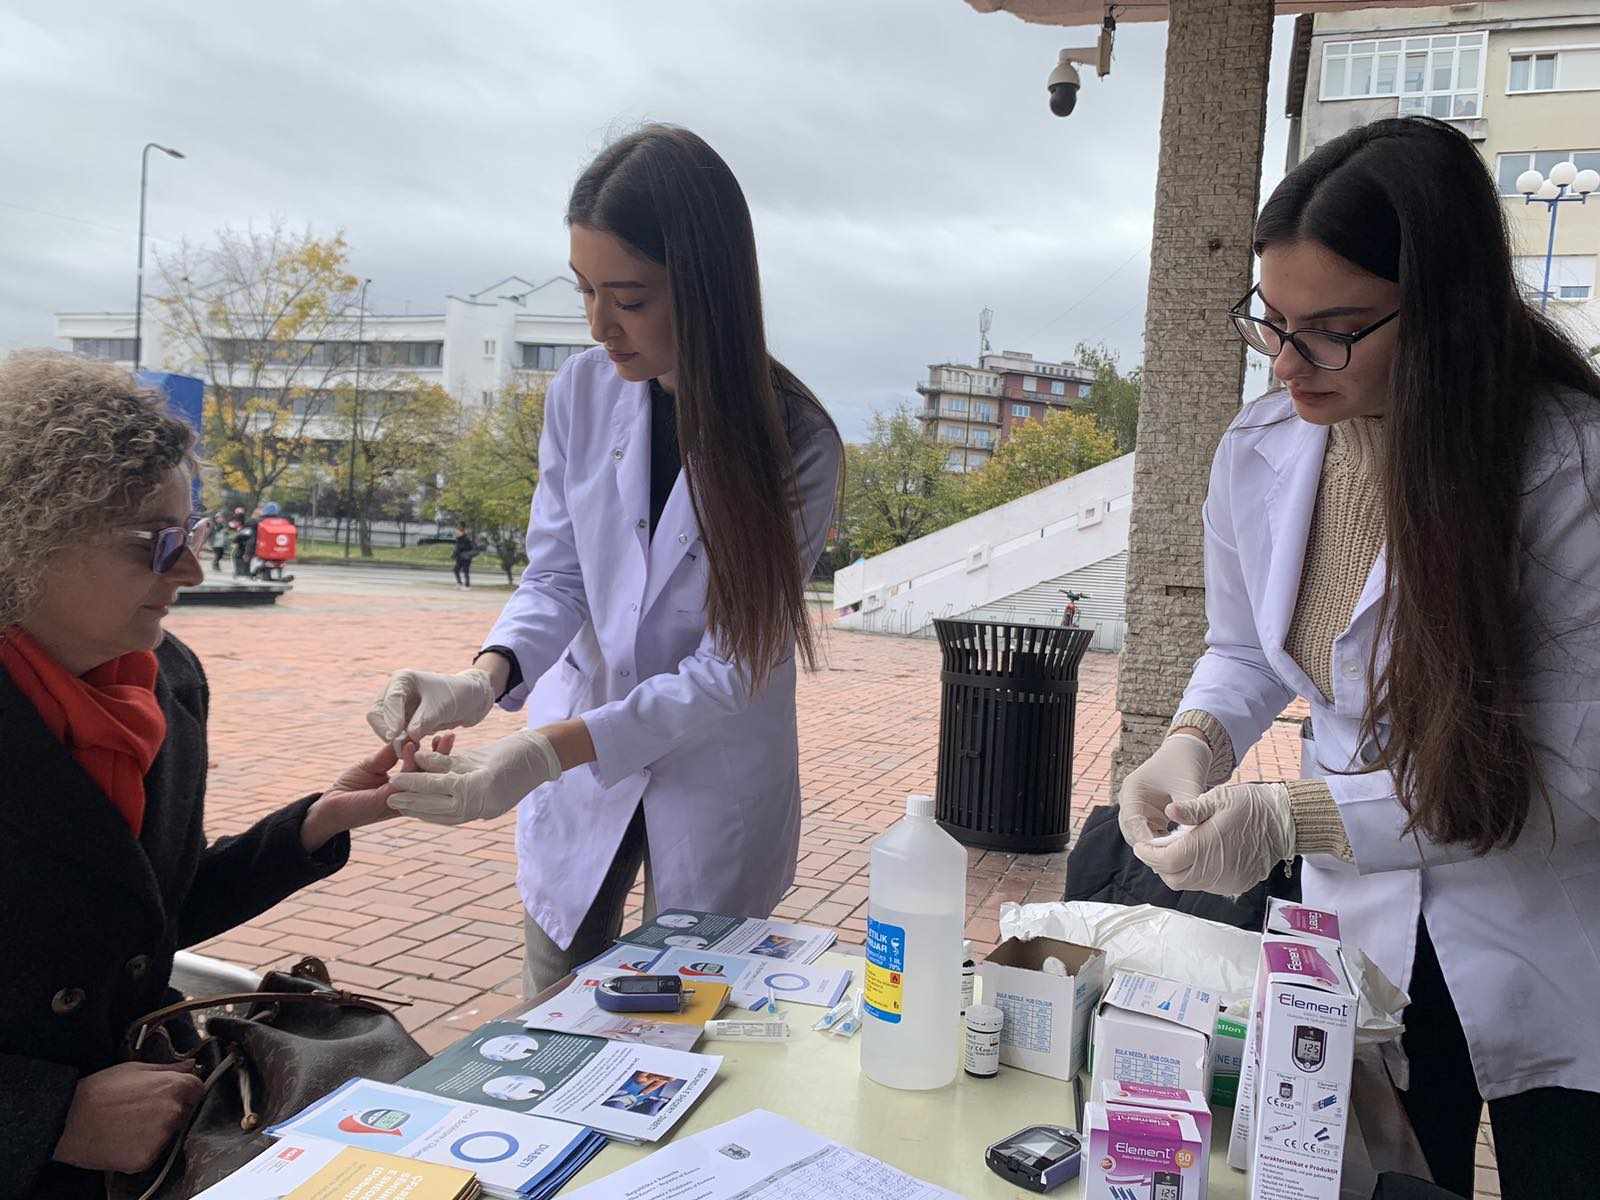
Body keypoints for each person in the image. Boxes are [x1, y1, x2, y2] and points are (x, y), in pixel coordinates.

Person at [1117, 118, 1600, 1199]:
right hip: (1359, 930)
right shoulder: (1262, 448)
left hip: (1547, 920)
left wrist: (1293, 819)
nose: (1289, 365)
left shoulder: (1565, 466)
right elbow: (1244, 649)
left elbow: (1569, 773)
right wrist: (1187, 747)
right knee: (1360, 1177)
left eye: (1332, 330)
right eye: (1272, 323)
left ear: (1440, 313)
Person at [368, 125, 842, 994]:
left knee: (684, 1025)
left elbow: (733, 666)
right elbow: (558, 574)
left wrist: (547, 750)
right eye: (585, 290)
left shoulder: (797, 443)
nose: (598, 325)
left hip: (711, 770)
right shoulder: (581, 394)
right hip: (575, 751)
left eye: (627, 296)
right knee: (549, 1007)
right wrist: (484, 676)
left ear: (705, 289)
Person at [0, 352, 447, 1198]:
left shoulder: (165, 679)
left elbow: (143, 921)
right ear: (31, 534)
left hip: (155, 1145)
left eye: (191, 536)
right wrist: (49, 1116)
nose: (193, 572)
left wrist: (320, 822)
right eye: (155, 545)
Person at [452, 523, 475, 589]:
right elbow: (457, 547)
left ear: (463, 528)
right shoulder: (459, 538)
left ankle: (467, 586)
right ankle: (459, 583)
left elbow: (467, 547)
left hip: (466, 557)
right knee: (456, 570)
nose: (457, 530)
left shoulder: (466, 538)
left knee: (466, 571)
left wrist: (467, 554)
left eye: (459, 528)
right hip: (460, 557)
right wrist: (454, 554)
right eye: (457, 528)